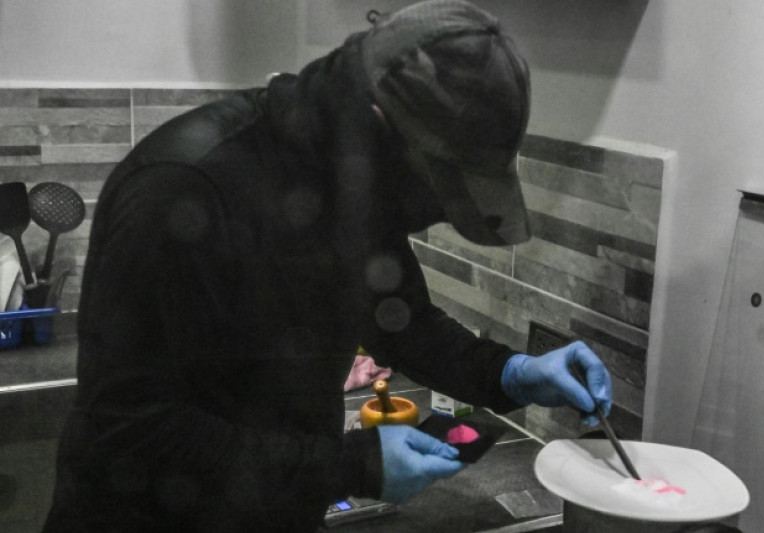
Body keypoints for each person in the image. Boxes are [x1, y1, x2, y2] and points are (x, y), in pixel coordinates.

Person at [42, 1, 613, 532]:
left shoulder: (353, 179)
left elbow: (404, 323)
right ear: (376, 124)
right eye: (434, 192)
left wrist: (513, 373)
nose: (431, 216)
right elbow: (132, 430)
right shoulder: (184, 186)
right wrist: (350, 465)